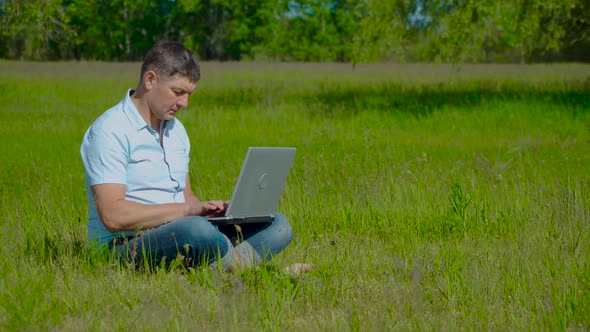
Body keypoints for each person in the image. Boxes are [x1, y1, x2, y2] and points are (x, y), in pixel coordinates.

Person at [80, 41, 294, 271]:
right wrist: (187, 213)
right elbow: (113, 216)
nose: (184, 103)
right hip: (123, 244)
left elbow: (186, 197)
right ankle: (239, 269)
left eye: (188, 94)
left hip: (181, 230)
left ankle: (217, 266)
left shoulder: (176, 130)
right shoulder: (110, 130)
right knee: (197, 230)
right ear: (150, 80)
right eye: (178, 92)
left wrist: (212, 211)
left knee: (278, 224)